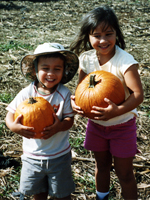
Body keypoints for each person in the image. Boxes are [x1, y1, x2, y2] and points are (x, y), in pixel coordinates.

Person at [70, 6, 143, 200]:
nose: (103, 40)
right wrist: (76, 103)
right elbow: (81, 90)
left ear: (116, 34)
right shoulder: (85, 59)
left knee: (124, 173)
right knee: (101, 166)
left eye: (108, 34)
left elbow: (137, 95)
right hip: (96, 125)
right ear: (88, 37)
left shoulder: (125, 62)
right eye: (97, 35)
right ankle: (102, 197)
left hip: (122, 127)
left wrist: (117, 110)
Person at [5, 42, 79, 200]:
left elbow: (69, 119)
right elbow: (9, 115)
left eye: (57, 69)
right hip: (32, 157)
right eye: (45, 68)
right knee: (38, 194)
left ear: (63, 71)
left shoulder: (64, 93)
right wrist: (13, 126)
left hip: (59, 156)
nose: (51, 73)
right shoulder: (27, 93)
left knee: (62, 195)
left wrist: (59, 127)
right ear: (35, 70)